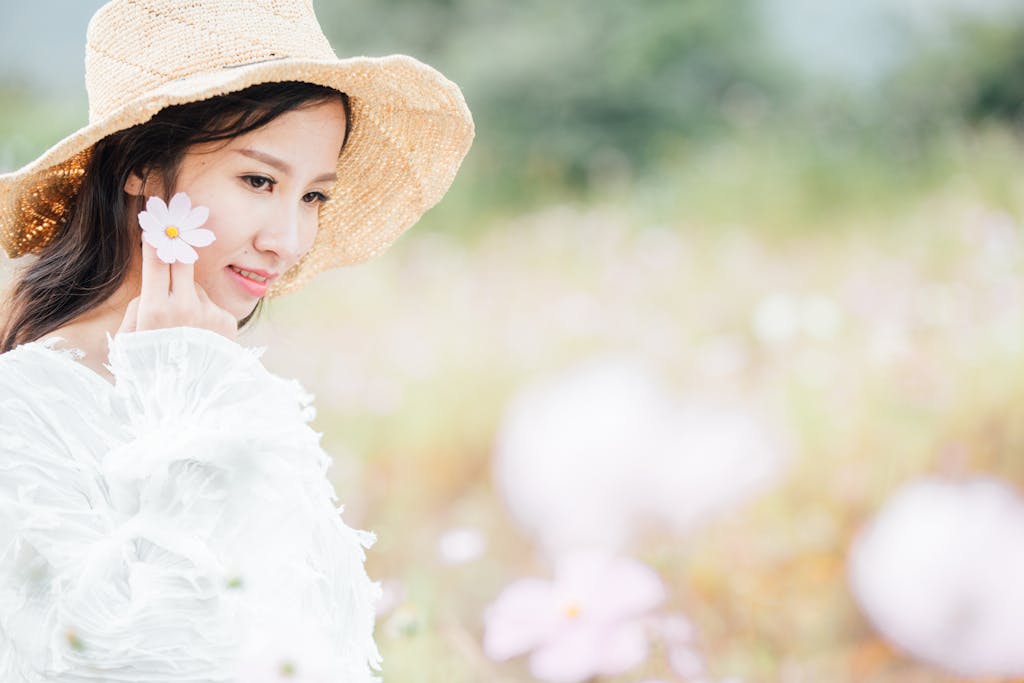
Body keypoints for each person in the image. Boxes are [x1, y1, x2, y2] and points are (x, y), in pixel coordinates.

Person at [0, 0, 474, 680]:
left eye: (314, 196)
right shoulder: (24, 408)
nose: (288, 240)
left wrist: (198, 382)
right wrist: (189, 401)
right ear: (138, 165)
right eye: (258, 180)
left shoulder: (229, 377)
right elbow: (124, 659)